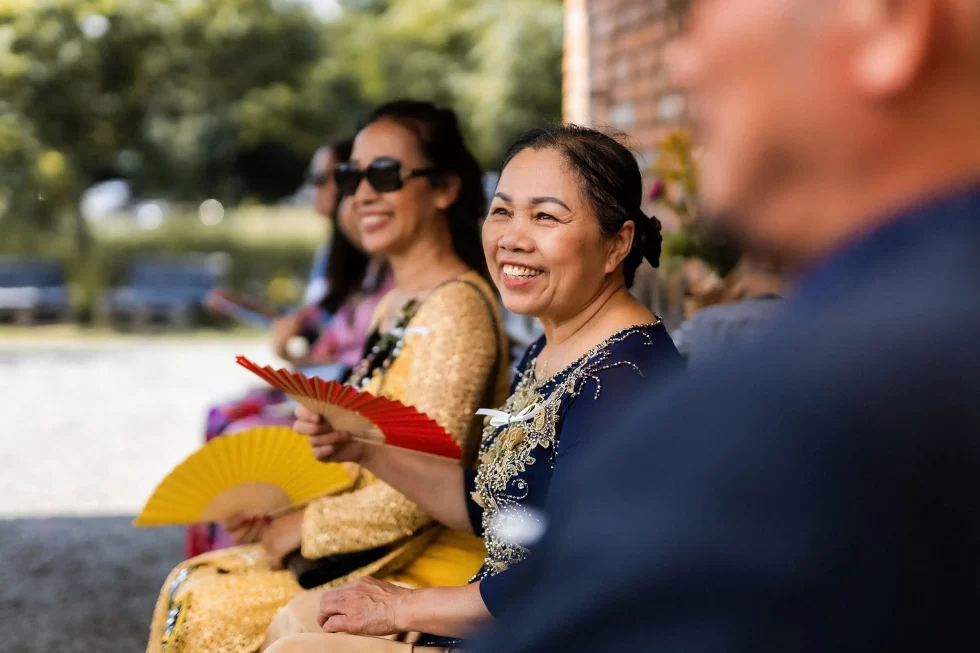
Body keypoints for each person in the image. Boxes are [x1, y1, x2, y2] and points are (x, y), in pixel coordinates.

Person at [467, 0, 980, 651]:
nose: (683, 65)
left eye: (701, 16)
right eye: (504, 211)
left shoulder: (794, 414)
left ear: (886, 23)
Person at [267, 124, 683, 652]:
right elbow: (493, 502)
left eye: (546, 216)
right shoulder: (555, 345)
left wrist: (400, 606)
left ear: (617, 243)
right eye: (503, 210)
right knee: (302, 618)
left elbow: (568, 578)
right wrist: (362, 449)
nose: (512, 236)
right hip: (502, 618)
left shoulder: (623, 382)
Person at [146, 100, 511, 653]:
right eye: (351, 176)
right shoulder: (397, 304)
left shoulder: (455, 309)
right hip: (379, 544)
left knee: (206, 604)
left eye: (385, 175)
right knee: (194, 581)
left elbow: (421, 490)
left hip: (426, 558)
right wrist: (284, 511)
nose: (362, 193)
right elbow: (369, 457)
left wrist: (305, 528)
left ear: (443, 188)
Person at [188, 140, 394, 557]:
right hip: (331, 394)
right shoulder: (350, 260)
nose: (363, 194)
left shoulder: (392, 272)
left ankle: (238, 562)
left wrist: (301, 356)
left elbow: (349, 351)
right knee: (226, 425)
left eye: (326, 179)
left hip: (346, 404)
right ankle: (219, 561)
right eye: (351, 179)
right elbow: (318, 327)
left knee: (239, 438)